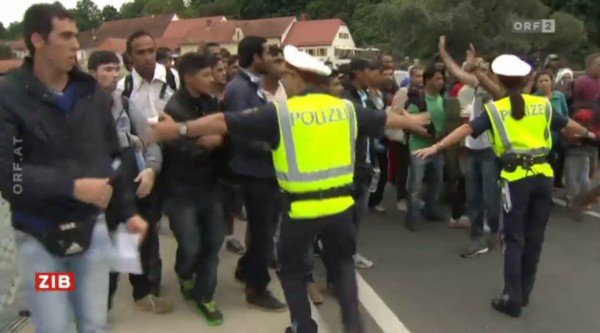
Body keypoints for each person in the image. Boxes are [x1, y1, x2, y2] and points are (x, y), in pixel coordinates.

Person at [149, 44, 431, 333]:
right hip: (341, 209)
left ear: (299, 78)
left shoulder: (281, 114)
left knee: (293, 271)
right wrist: (411, 121)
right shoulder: (345, 109)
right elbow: (385, 119)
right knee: (343, 267)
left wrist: (180, 130)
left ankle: (302, 326)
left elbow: (223, 122)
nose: (283, 81)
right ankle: (353, 325)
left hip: (300, 212)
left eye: (287, 77)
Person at [0, 4, 147, 332]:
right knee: (56, 327)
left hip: (91, 236)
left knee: (94, 324)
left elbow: (116, 154)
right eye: (65, 36)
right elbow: (9, 175)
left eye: (76, 35)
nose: (76, 45)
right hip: (41, 243)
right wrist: (72, 185)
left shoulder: (90, 93)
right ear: (38, 40)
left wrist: (127, 211)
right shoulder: (9, 96)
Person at [414, 54, 594, 317]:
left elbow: (466, 130)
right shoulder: (541, 105)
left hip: (516, 179)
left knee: (513, 239)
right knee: (535, 237)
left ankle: (511, 297)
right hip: (543, 177)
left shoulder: (495, 109)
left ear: (498, 80)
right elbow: (568, 125)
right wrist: (590, 135)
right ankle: (524, 293)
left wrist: (437, 146)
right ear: (525, 80)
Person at [111, 30, 179, 313]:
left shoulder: (173, 79)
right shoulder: (122, 89)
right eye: (141, 52)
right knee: (143, 227)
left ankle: (184, 271)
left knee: (181, 225)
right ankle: (147, 282)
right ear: (129, 56)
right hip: (141, 167)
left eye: (152, 50)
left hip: (176, 163)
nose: (148, 56)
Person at [161, 53, 226, 325]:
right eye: (206, 75)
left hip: (212, 187)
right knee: (190, 245)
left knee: (213, 243)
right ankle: (184, 273)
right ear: (189, 78)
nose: (213, 79)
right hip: (180, 191)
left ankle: (205, 296)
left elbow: (225, 133)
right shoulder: (173, 109)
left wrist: (217, 139)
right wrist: (203, 143)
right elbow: (174, 147)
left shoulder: (213, 103)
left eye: (213, 74)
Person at [224, 36, 286, 311]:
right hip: (255, 170)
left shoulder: (253, 85)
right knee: (263, 232)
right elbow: (239, 131)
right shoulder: (239, 88)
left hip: (265, 169)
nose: (270, 56)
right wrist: (275, 145)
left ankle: (245, 268)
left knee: (265, 228)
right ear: (254, 57)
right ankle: (256, 288)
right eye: (266, 53)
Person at [404, 65, 447, 232]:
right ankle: (413, 217)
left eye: (442, 79)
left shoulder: (443, 99)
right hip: (419, 149)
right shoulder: (419, 99)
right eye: (437, 78)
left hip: (437, 148)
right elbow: (409, 123)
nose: (441, 82)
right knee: (415, 186)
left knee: (436, 183)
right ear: (427, 80)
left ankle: (430, 210)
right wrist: (427, 134)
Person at [534, 71, 569, 188]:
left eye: (546, 80)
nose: (544, 83)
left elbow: (565, 114)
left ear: (551, 82)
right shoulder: (533, 99)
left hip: (559, 135)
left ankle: (557, 182)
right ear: (536, 84)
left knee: (560, 161)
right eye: (541, 81)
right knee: (547, 164)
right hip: (542, 138)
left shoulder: (559, 96)